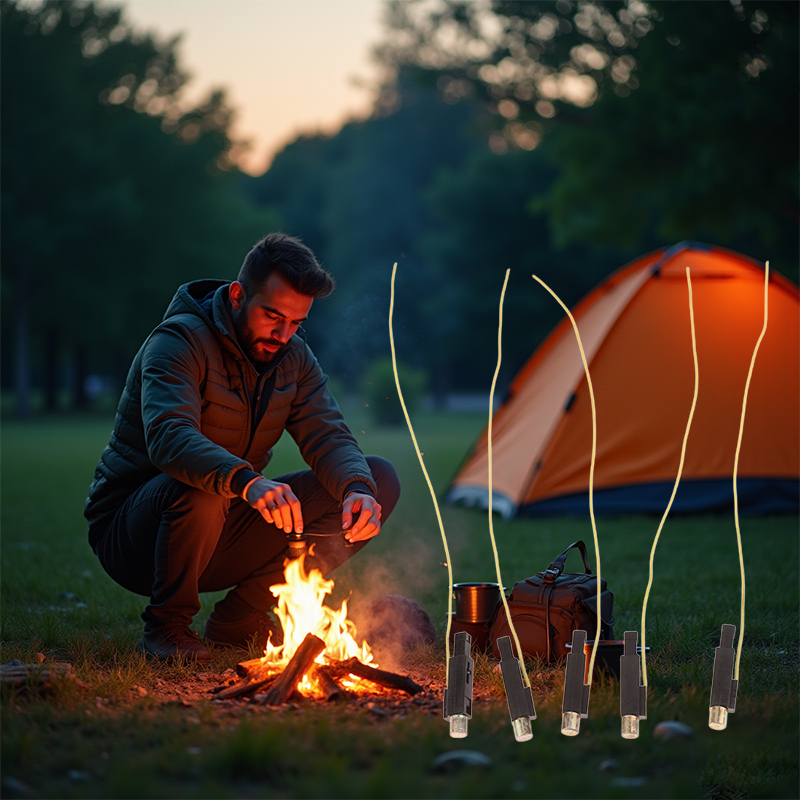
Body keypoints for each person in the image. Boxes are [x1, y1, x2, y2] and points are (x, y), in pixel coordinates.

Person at [84, 233, 401, 663]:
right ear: (237, 295)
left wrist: (356, 489)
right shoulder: (177, 342)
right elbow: (169, 436)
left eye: (296, 322)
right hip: (135, 536)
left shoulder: (293, 357)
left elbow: (328, 435)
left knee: (377, 478)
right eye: (272, 316)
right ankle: (166, 627)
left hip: (223, 526)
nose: (283, 334)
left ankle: (239, 617)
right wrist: (246, 481)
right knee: (203, 486)